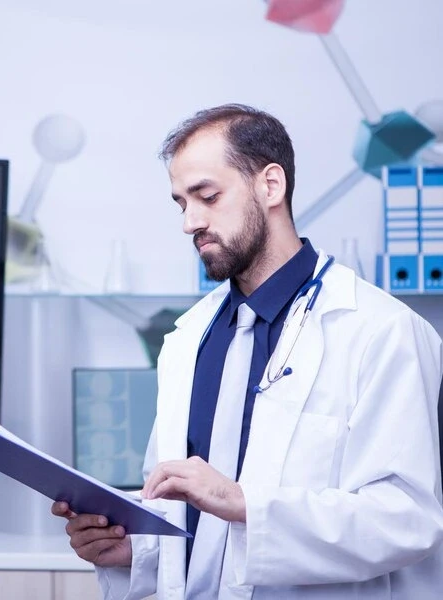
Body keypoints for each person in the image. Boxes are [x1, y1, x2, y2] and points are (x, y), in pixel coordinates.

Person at [52, 103, 443, 599]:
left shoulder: (381, 331)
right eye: (180, 203)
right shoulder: (190, 338)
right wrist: (132, 549)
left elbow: (406, 521)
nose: (190, 222)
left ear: (271, 186)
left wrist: (244, 503)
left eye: (207, 196)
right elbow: (186, 517)